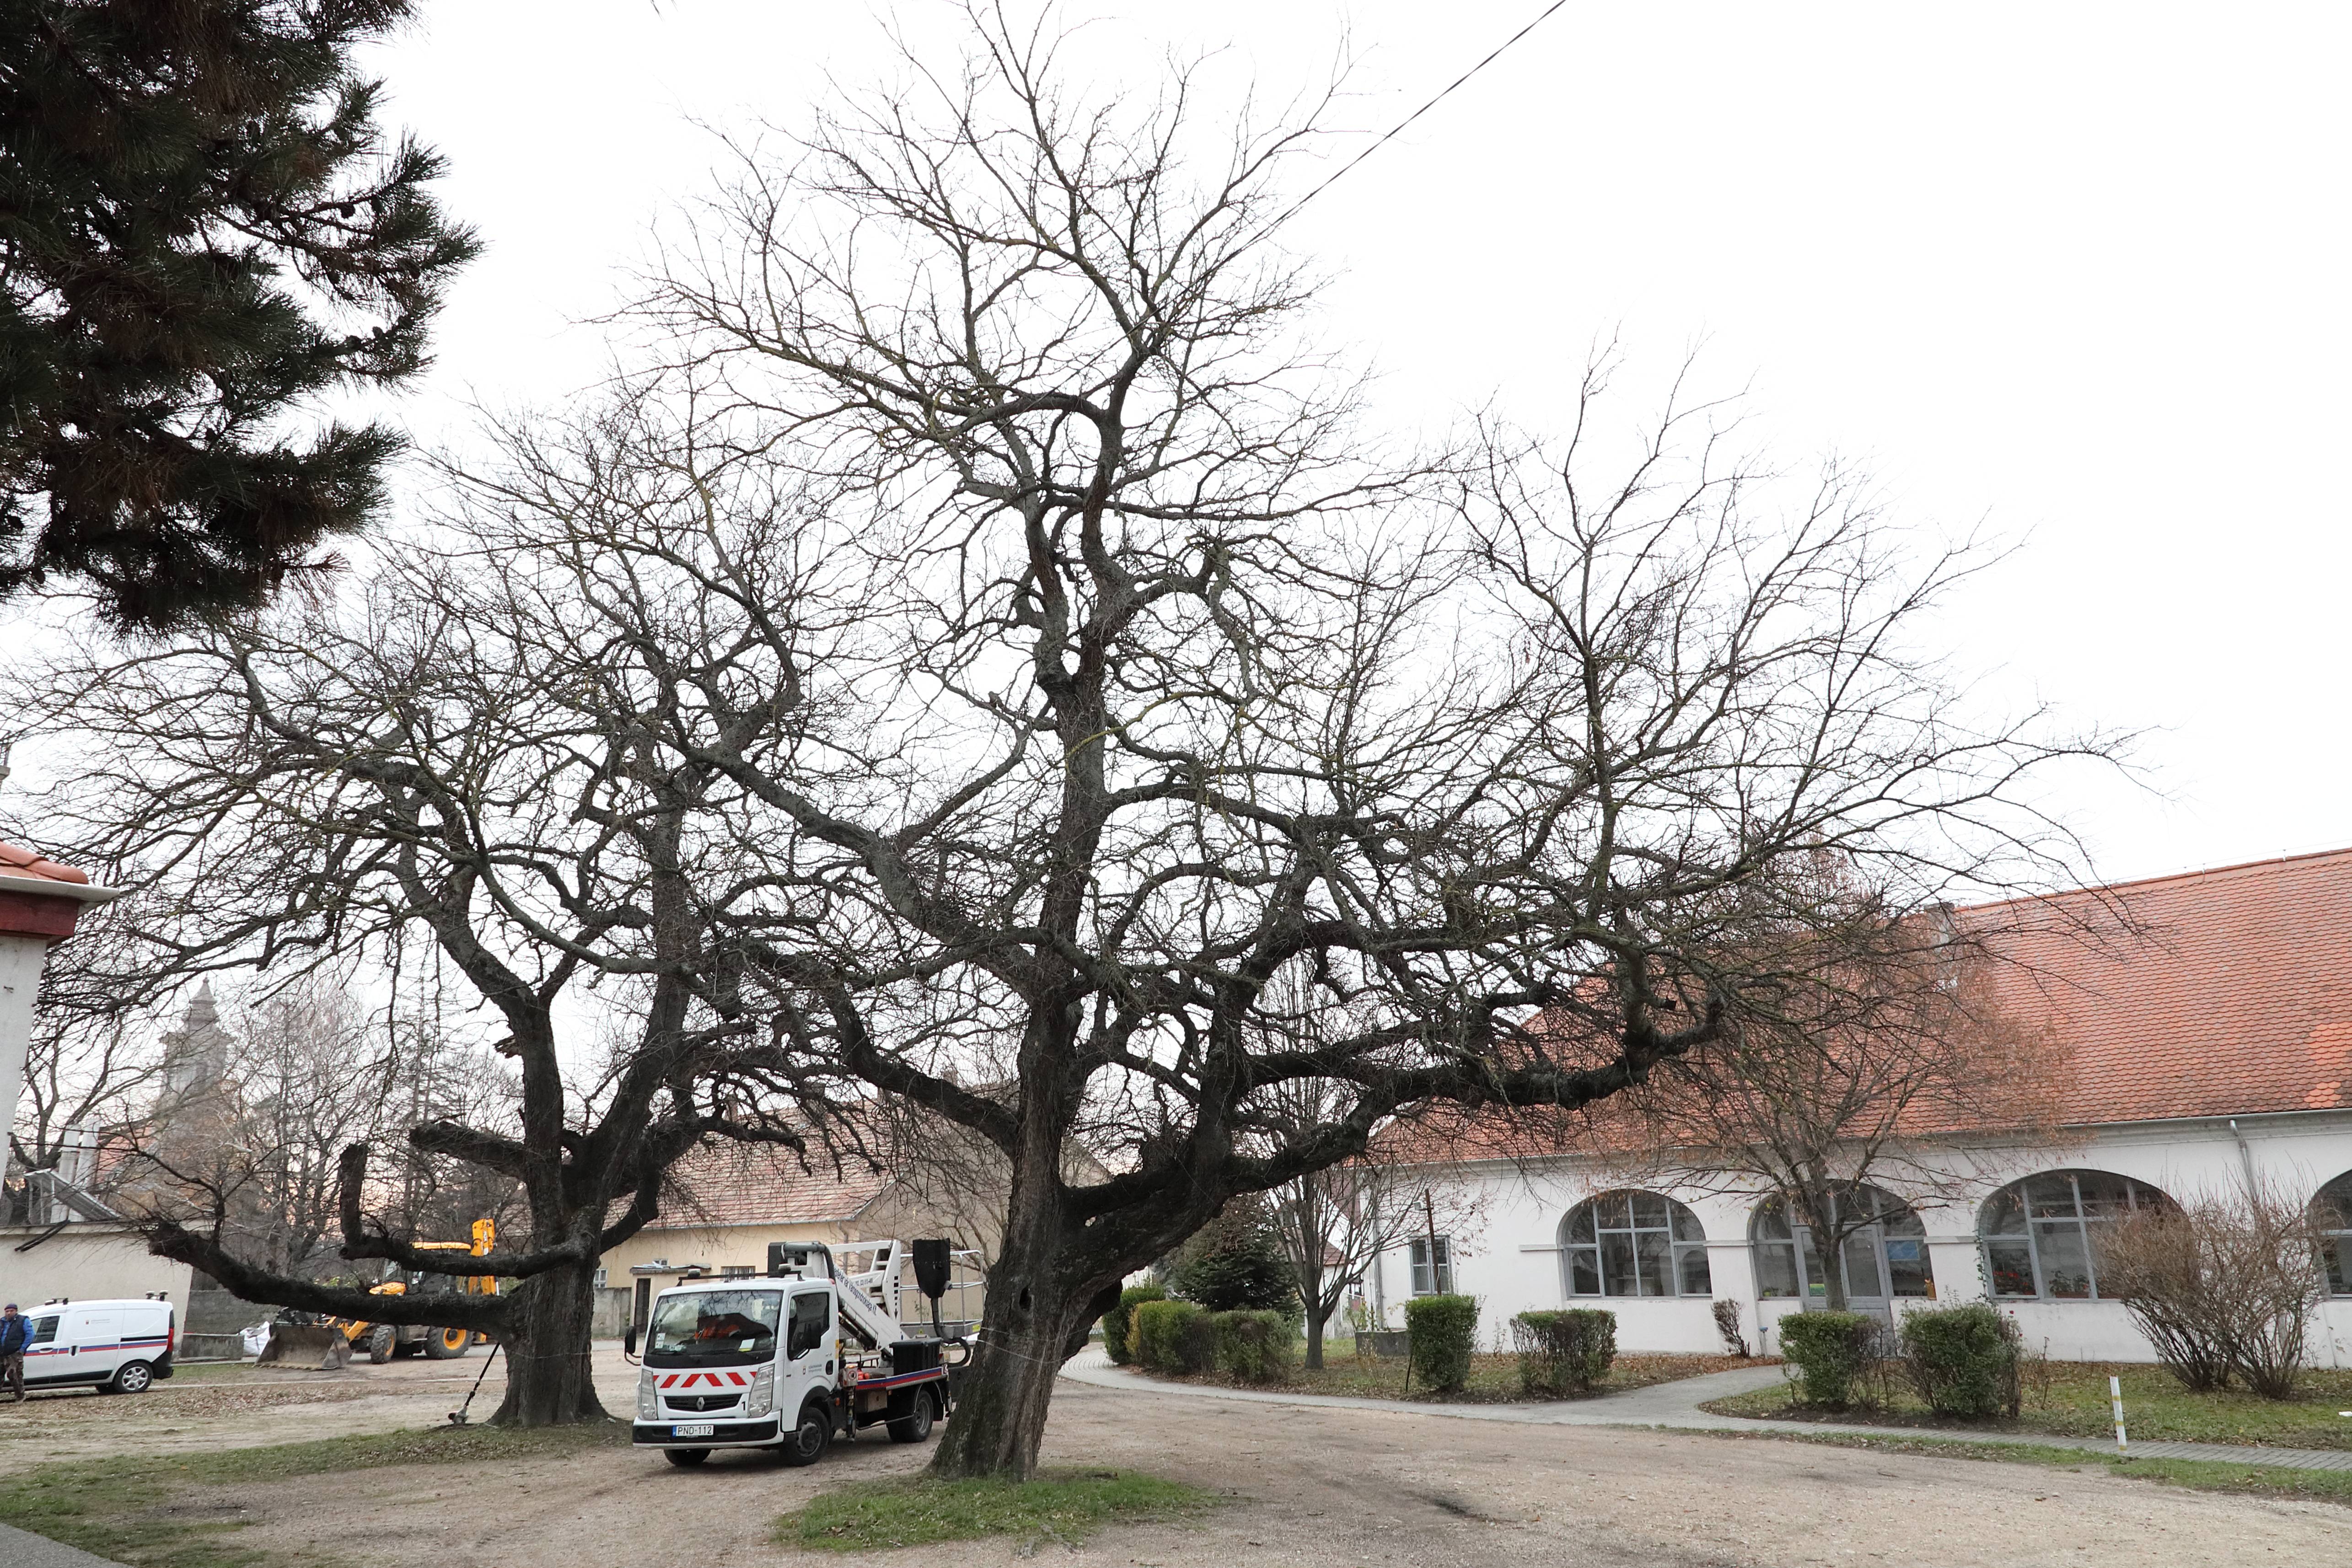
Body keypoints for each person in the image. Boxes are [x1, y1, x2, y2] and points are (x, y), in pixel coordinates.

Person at [0, 1304, 28, 1402]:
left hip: (14, 1353)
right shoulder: (2, 1322)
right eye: (7, 1311)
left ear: (16, 1311)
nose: (9, 1313)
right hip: (2, 1353)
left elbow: (30, 1335)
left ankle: (20, 1396)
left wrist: (22, 1349)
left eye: (11, 1311)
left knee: (14, 1375)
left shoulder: (23, 1321)